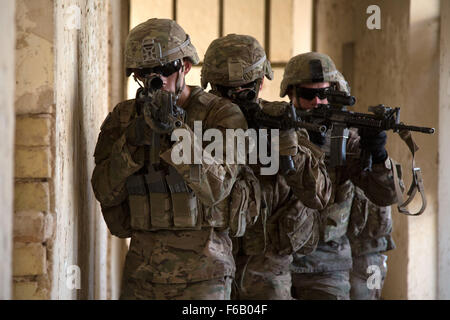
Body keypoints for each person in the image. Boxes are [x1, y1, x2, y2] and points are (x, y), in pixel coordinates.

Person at [90, 18, 252, 299]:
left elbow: (217, 188)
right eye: (146, 71)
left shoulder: (222, 115)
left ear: (185, 67)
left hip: (206, 276)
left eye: (165, 69)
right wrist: (132, 142)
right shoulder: (125, 117)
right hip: (142, 275)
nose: (158, 79)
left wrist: (177, 131)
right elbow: (103, 189)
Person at [200, 34, 332, 300]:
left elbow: (319, 196)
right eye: (226, 91)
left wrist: (288, 151)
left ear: (260, 84)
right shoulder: (197, 125)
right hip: (208, 270)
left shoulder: (280, 120)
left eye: (245, 89)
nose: (237, 98)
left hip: (267, 273)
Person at [280, 52, 401, 300]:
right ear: (291, 93)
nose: (317, 102)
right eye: (308, 95)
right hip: (277, 256)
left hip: (327, 259)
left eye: (324, 94)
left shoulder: (344, 137)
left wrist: (377, 156)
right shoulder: (277, 131)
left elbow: (386, 194)